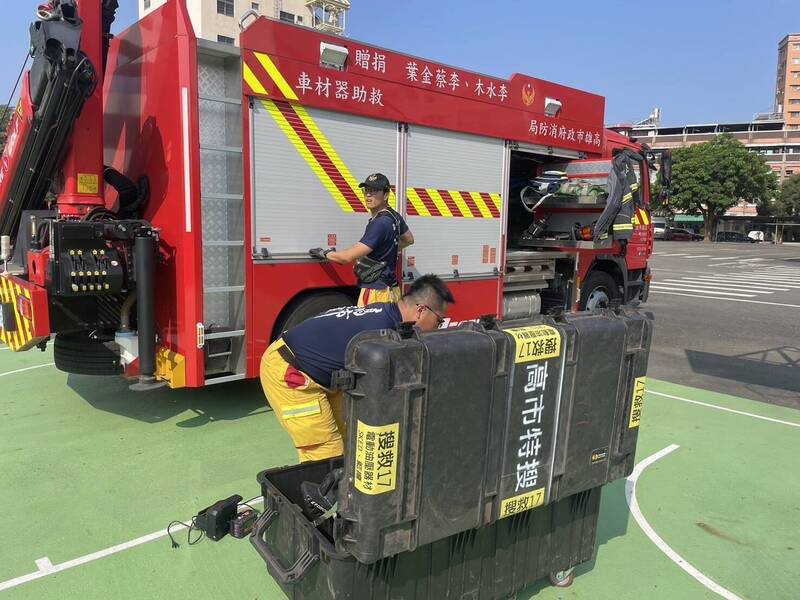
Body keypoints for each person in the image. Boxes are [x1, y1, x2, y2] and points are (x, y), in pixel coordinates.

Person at [260, 274, 454, 463]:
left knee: (347, 436)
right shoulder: (381, 332)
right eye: (439, 321)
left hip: (313, 370)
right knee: (326, 451)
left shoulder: (386, 313)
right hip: (290, 371)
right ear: (421, 310)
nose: (438, 328)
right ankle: (318, 493)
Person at [309, 173, 414, 307]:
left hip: (375, 293)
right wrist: (388, 248)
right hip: (392, 292)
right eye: (367, 190)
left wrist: (324, 253)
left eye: (375, 191)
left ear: (386, 195)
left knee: (369, 327)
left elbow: (346, 258)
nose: (368, 195)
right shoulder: (394, 216)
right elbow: (409, 239)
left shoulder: (379, 224)